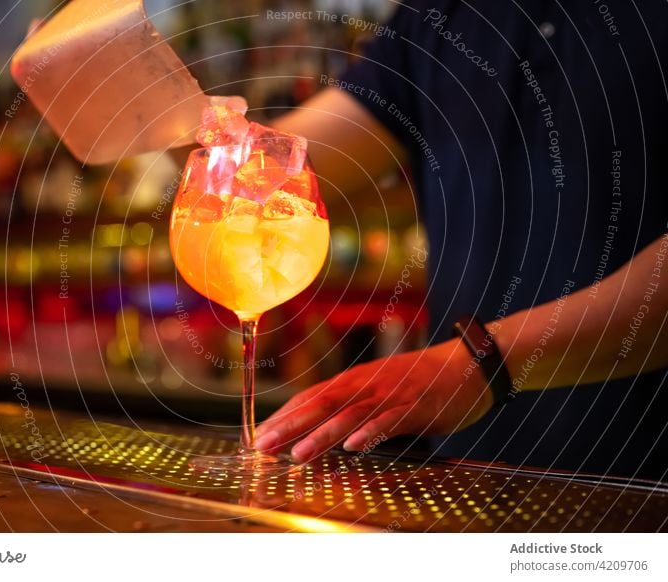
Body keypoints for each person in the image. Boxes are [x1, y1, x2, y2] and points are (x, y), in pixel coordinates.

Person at [253, 0, 668, 480]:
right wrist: (185, 123)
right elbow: (284, 170)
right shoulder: (439, 15)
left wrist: (484, 361)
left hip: (641, 481)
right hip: (468, 468)